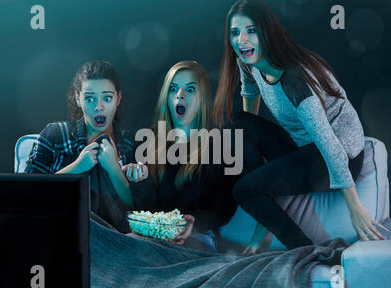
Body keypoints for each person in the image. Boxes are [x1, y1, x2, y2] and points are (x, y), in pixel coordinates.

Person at [213, 0, 388, 251]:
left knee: (245, 190)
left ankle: (303, 248)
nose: (242, 40)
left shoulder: (296, 81)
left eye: (251, 30)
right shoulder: (247, 61)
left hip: (339, 154)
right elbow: (249, 94)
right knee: (238, 121)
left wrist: (355, 208)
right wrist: (252, 145)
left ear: (266, 32)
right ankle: (260, 190)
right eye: (235, 32)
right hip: (301, 145)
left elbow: (330, 145)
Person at [127, 61, 237, 252]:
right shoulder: (147, 141)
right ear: (166, 97)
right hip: (152, 236)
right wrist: (139, 182)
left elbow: (223, 208)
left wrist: (194, 224)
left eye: (190, 89)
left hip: (198, 237)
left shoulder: (219, 144)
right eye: (174, 89)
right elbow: (145, 208)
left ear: (202, 97)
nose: (180, 95)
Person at [25, 60, 135, 233]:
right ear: (78, 98)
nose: (99, 107)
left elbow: (139, 209)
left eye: (107, 98)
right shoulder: (55, 134)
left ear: (118, 98)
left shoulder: (131, 143)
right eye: (90, 98)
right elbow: (28, 194)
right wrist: (76, 167)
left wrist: (114, 170)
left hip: (118, 240)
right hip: (64, 232)